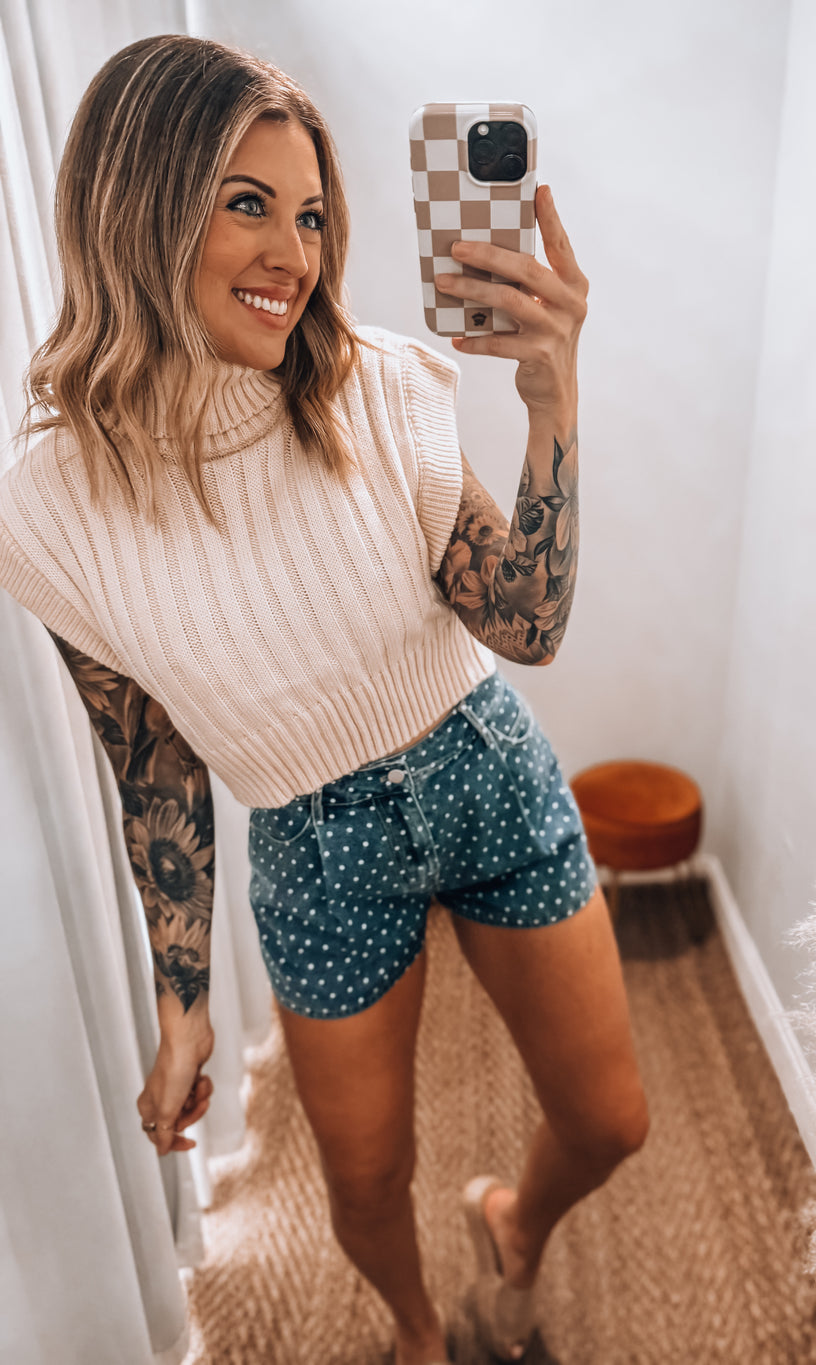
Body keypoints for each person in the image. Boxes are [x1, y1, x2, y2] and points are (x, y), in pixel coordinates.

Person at [0, 35, 649, 1365]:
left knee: (611, 1120)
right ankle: (417, 1331)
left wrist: (551, 402)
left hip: (482, 764)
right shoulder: (47, 504)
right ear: (138, 202)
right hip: (313, 844)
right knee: (362, 1181)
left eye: (308, 214)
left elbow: (525, 622)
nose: (294, 253)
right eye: (248, 203)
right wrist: (184, 999)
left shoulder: (380, 384)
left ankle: (514, 1221)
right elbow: (151, 755)